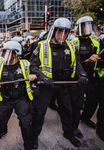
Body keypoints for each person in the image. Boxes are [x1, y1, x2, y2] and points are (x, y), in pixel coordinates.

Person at [30, 18, 88, 148]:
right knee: (39, 112)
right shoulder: (42, 46)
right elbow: (33, 66)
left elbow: (77, 64)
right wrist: (43, 77)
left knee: (67, 110)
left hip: (64, 85)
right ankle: (33, 137)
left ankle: (68, 132)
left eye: (65, 32)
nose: (62, 35)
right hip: (46, 86)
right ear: (54, 31)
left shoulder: (71, 46)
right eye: (59, 31)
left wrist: (82, 74)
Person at [0, 41, 36, 150]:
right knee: (2, 118)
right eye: (4, 52)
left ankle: (28, 144)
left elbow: (37, 74)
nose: (5, 55)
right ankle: (2, 131)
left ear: (16, 54)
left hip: (21, 99)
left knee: (26, 122)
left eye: (9, 52)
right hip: (4, 99)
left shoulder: (25, 64)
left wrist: (33, 77)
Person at [72, 16, 102, 129]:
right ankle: (73, 123)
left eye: (89, 25)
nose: (87, 28)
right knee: (77, 102)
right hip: (78, 76)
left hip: (91, 75)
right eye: (85, 26)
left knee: (93, 99)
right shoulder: (75, 42)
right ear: (79, 28)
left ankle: (85, 117)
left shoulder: (95, 42)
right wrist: (88, 60)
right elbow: (74, 62)